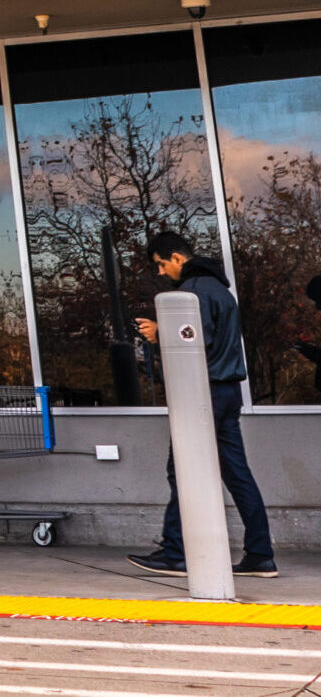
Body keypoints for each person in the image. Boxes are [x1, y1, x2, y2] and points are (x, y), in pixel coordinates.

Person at [129, 232, 276, 579]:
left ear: (178, 258)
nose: (163, 273)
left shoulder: (193, 292)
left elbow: (193, 343)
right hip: (227, 393)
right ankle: (260, 554)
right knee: (238, 475)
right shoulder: (222, 292)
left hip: (202, 393)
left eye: (162, 265)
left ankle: (175, 553)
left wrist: (158, 333)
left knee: (181, 469)